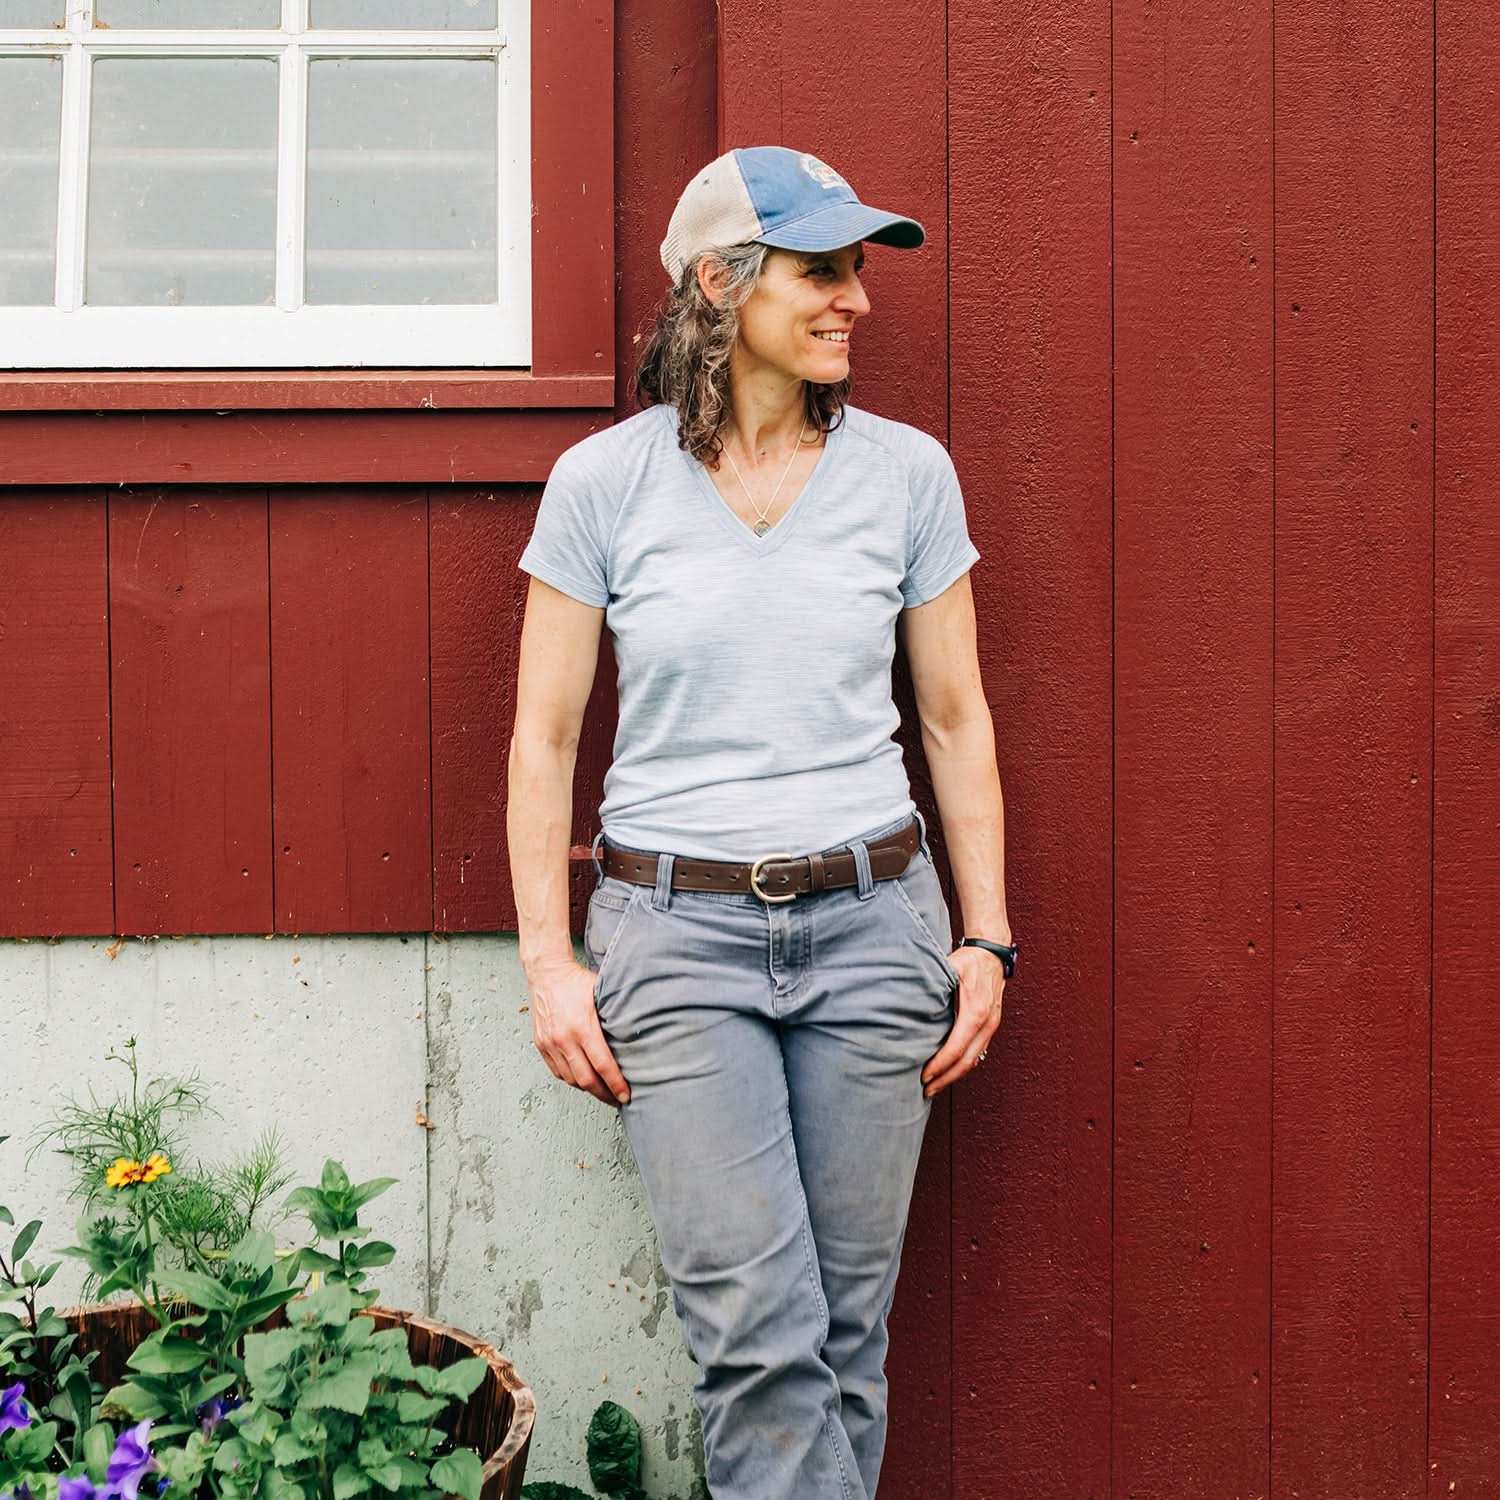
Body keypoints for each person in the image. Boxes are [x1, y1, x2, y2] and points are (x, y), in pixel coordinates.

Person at [506, 146, 1014, 1500]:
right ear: (721, 286)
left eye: (859, 270)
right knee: (757, 1347)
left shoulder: (908, 477)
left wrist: (986, 939)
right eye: (822, 270)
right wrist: (551, 962)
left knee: (843, 1343)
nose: (858, 299)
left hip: (876, 928)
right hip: (676, 940)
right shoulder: (602, 486)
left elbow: (954, 719)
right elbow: (544, 740)